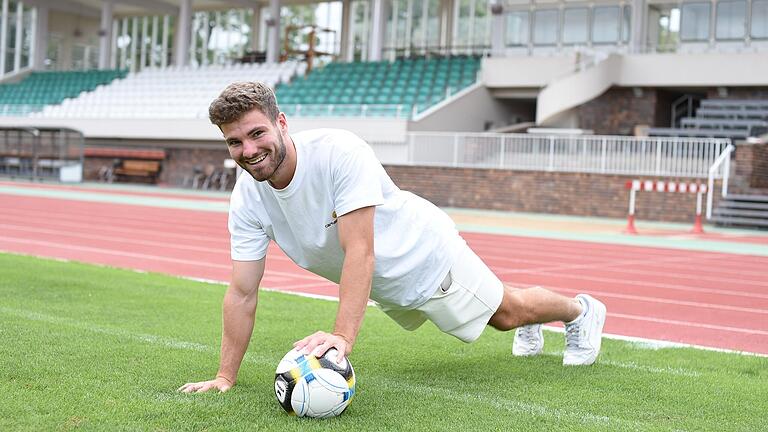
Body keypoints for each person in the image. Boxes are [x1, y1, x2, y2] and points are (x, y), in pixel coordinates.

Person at [178, 82, 607, 394]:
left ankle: (580, 311)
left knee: (506, 312)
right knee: (500, 303)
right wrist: (224, 378)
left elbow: (359, 251)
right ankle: (534, 326)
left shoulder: (338, 153)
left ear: (282, 123)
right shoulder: (247, 199)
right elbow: (241, 292)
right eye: (234, 142)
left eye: (257, 134)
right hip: (387, 283)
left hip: (423, 254)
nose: (248, 150)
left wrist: (342, 339)